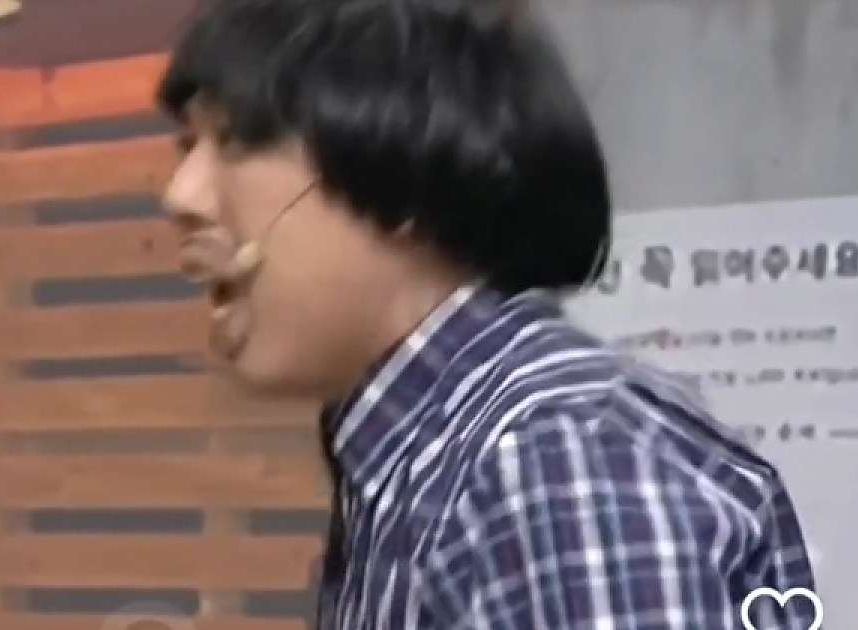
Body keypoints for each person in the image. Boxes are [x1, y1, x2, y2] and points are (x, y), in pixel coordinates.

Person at [156, 0, 820, 627]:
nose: (180, 195)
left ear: (404, 167)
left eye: (232, 139)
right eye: (186, 145)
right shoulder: (432, 458)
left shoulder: (553, 457)